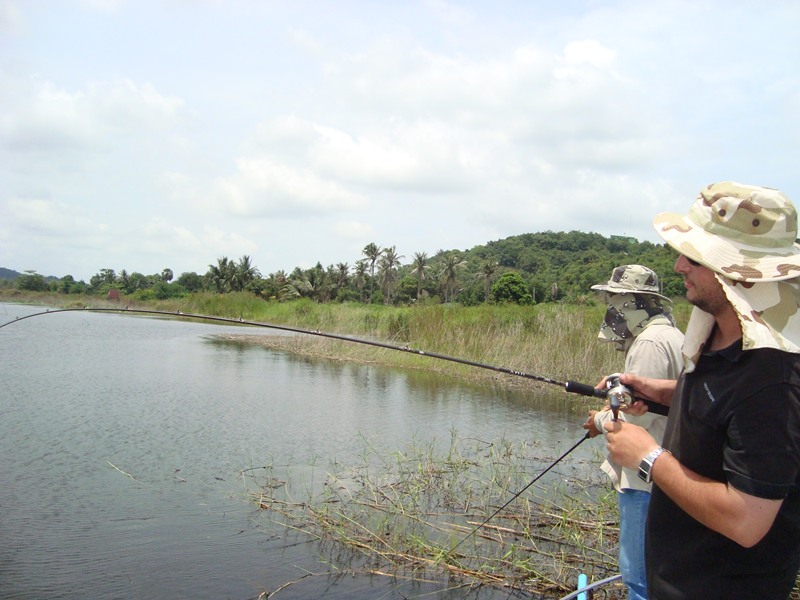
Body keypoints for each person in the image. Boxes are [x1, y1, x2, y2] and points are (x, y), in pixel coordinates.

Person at [604, 182, 800, 599]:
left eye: (694, 257)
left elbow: (748, 521)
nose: (678, 266)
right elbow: (721, 407)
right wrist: (656, 391)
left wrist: (647, 458)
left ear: (736, 271)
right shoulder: (718, 333)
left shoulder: (774, 380)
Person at [582, 264, 684, 600]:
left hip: (644, 480)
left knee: (639, 581)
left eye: (614, 300)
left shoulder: (650, 343)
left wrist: (598, 421)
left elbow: (633, 422)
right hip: (666, 473)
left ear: (631, 303)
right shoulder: (669, 334)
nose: (610, 309)